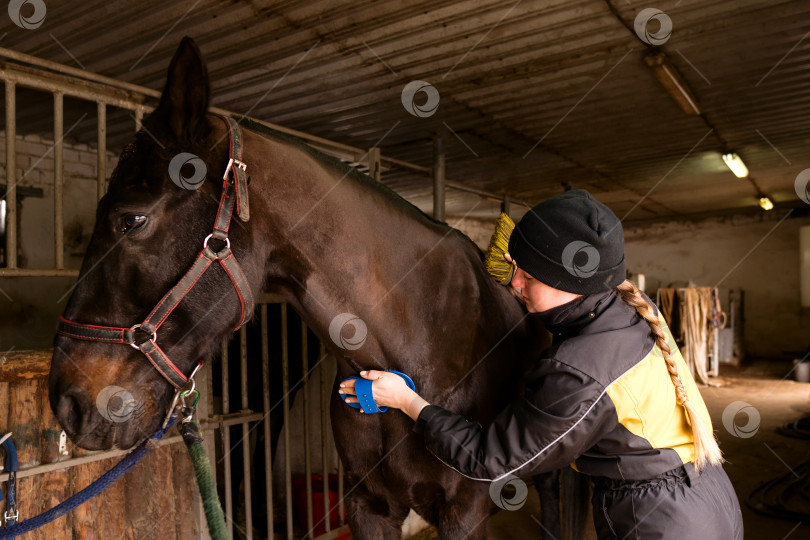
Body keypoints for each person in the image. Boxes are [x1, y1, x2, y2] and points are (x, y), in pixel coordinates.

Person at [339, 190, 744, 539]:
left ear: (568, 285)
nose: (514, 284)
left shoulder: (580, 372)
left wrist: (407, 400)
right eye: (515, 267)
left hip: (662, 522)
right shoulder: (624, 307)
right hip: (708, 494)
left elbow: (488, 459)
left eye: (527, 276)